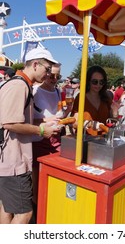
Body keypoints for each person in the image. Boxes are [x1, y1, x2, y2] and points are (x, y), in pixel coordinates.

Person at [0, 47, 60, 224]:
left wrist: (42, 124)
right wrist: (41, 130)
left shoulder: (21, 84)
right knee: (24, 214)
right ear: (35, 64)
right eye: (47, 69)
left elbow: (17, 120)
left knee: (7, 208)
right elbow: (10, 123)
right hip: (14, 161)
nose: (48, 74)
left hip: (10, 159)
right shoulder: (19, 85)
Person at [32, 63, 70, 217]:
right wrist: (46, 120)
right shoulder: (34, 91)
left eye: (57, 76)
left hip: (56, 139)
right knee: (38, 184)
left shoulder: (58, 91)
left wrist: (66, 113)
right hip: (38, 140)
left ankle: (51, 213)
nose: (54, 79)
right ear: (45, 72)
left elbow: (59, 115)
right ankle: (38, 217)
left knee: (55, 179)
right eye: (51, 75)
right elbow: (27, 119)